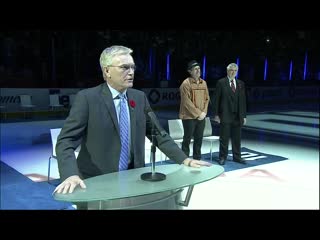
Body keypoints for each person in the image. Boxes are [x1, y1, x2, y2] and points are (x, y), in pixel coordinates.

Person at [53, 46, 211, 197]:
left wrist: (184, 159)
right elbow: (65, 141)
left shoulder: (139, 98)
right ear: (107, 70)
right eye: (124, 67)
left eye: (133, 67)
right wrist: (70, 174)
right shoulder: (87, 98)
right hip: (97, 181)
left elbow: (158, 134)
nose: (131, 72)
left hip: (134, 179)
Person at [213, 63, 247, 165]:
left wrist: (244, 116)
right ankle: (222, 157)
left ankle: (237, 157)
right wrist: (216, 114)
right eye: (231, 70)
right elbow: (216, 100)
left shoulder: (241, 83)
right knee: (224, 138)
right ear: (227, 71)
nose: (233, 72)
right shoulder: (221, 82)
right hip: (225, 115)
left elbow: (243, 101)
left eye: (235, 70)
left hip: (238, 116)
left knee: (237, 139)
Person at [179, 60, 210, 160]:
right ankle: (184, 159)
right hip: (189, 117)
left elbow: (207, 98)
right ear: (190, 71)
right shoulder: (186, 84)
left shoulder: (203, 83)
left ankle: (197, 158)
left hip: (201, 116)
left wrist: (204, 112)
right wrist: (198, 113)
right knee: (187, 138)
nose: (198, 71)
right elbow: (186, 102)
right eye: (195, 69)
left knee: (199, 138)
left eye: (199, 69)